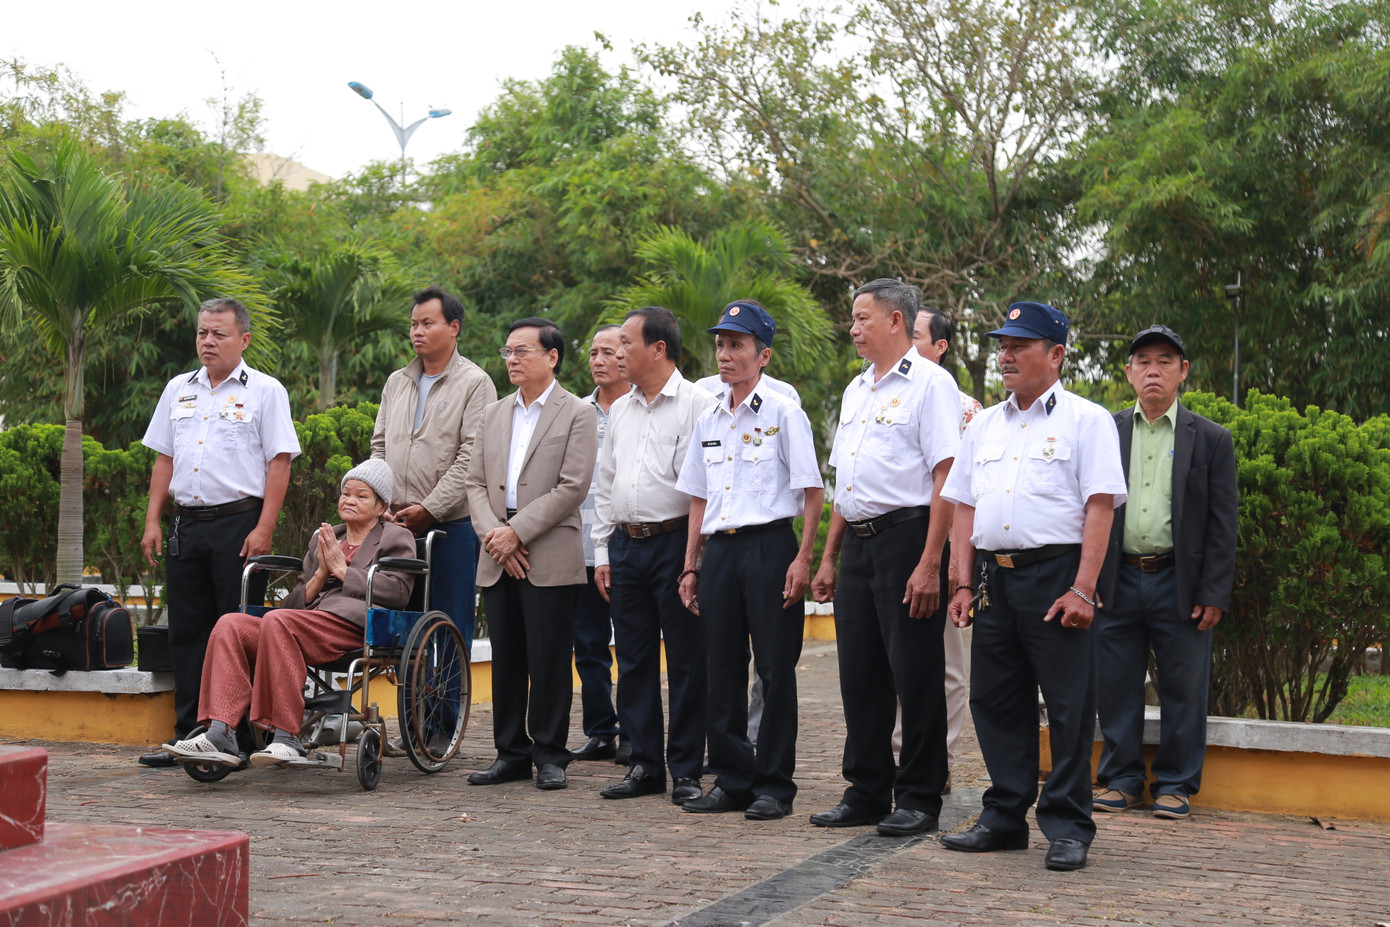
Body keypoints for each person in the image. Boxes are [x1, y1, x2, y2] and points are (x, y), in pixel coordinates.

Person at [939, 301, 1126, 872]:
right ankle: (1005, 816)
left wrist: (1085, 589)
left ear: (1057, 354)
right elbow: (965, 506)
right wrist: (964, 581)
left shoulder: (1086, 420)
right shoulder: (986, 425)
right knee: (995, 701)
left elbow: (1099, 508)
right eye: (1003, 345)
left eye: (1020, 345)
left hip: (1057, 576)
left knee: (1069, 708)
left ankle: (1069, 825)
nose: (1006, 355)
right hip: (998, 578)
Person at [809, 278, 961, 837]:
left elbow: (947, 476)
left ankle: (920, 796)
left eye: (861, 318)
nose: (852, 328)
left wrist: (931, 562)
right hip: (859, 543)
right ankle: (867, 789)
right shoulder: (856, 390)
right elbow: (845, 483)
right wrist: (828, 557)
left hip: (908, 537)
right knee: (860, 674)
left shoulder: (931, 385)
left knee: (915, 673)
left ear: (896, 321)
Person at [163, 460, 415, 767]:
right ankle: (220, 731)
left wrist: (343, 571)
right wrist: (321, 574)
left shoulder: (394, 537)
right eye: (346, 493)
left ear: (381, 507)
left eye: (361, 496)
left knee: (278, 622)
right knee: (230, 624)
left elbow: (398, 593)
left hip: (354, 624)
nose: (349, 500)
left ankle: (286, 737)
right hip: (301, 623)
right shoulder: (325, 537)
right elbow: (294, 605)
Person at [676, 302, 824, 821]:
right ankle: (732, 779)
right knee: (721, 667)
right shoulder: (708, 416)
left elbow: (811, 491)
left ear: (762, 355)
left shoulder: (785, 413)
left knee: (775, 669)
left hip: (770, 547)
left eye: (737, 345)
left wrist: (803, 558)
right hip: (721, 551)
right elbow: (698, 496)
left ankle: (775, 786)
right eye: (720, 344)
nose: (725, 354)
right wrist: (692, 564)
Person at [139, 297, 301, 768]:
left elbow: (279, 462)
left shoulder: (266, 391)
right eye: (202, 333)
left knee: (235, 629)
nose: (208, 341)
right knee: (187, 633)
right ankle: (188, 733)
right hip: (186, 524)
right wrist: (153, 518)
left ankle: (240, 733)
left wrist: (265, 526)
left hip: (239, 525)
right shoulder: (178, 389)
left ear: (244, 339)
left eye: (219, 334)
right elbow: (164, 458)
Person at [1093, 324, 1238, 821]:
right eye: (1144, 362)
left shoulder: (1212, 440)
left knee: (1184, 687)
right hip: (1115, 580)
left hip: (1179, 581)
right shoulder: (1105, 432)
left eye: (1165, 362)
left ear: (1183, 372)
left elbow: (1223, 523)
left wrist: (1214, 592)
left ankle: (1175, 784)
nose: (1153, 370)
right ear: (1129, 372)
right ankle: (1122, 779)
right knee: (1115, 685)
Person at [464, 318, 597, 792]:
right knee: (508, 657)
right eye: (509, 352)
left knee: (549, 659)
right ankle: (510, 753)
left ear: (552, 356)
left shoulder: (577, 412)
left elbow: (573, 486)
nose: (513, 360)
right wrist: (497, 536)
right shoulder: (494, 413)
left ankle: (550, 753)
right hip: (497, 549)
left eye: (522, 351)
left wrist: (516, 532)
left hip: (548, 546)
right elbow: (474, 483)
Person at [592, 306, 715, 804]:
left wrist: (694, 559)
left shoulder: (698, 404)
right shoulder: (620, 408)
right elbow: (605, 484)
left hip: (676, 543)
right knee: (635, 659)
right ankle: (644, 764)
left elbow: (704, 489)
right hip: (626, 544)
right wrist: (603, 550)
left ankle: (686, 768)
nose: (617, 352)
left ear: (658, 349)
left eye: (625, 343)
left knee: (687, 660)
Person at [372, 286, 497, 651]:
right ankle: (413, 710)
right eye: (413, 324)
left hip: (451, 528)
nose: (417, 332)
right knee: (399, 628)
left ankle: (446, 709)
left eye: (428, 323)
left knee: (449, 626)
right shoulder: (397, 381)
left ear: (454, 327)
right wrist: (382, 505)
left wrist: (429, 509)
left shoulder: (476, 383)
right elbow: (379, 446)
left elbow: (472, 457)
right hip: (395, 526)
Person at [908, 307, 983, 789]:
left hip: (948, 544)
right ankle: (902, 754)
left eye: (915, 335)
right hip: (896, 539)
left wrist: (959, 569)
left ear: (940, 347)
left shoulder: (968, 410)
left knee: (948, 662)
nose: (907, 343)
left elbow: (966, 493)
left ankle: (944, 757)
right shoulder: (875, 393)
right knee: (897, 659)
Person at [571, 324, 625, 763]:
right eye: (593, 353)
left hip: (625, 548)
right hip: (580, 549)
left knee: (631, 644)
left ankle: (637, 731)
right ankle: (600, 731)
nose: (598, 360)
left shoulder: (638, 409)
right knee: (588, 645)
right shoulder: (575, 412)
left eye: (608, 351)